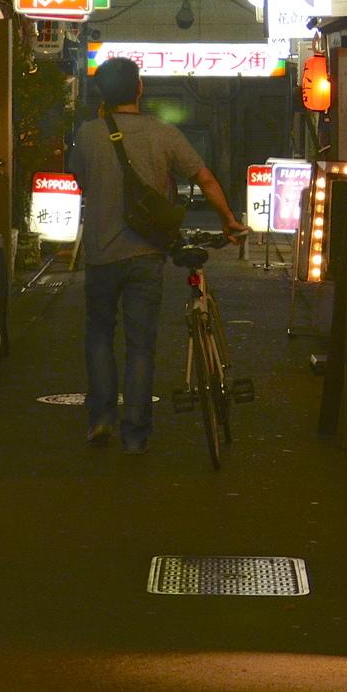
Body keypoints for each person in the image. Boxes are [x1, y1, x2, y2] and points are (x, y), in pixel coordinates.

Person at [68, 58, 246, 454]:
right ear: (139, 89)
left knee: (99, 334)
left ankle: (100, 418)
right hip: (147, 254)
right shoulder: (163, 134)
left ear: (102, 95)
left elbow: (81, 179)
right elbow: (204, 177)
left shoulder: (88, 135)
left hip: (100, 255)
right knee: (141, 347)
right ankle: (135, 434)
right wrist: (229, 219)